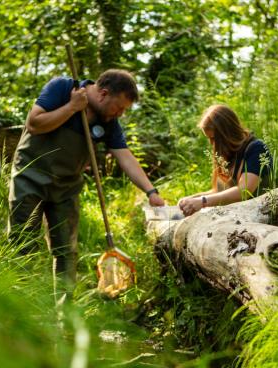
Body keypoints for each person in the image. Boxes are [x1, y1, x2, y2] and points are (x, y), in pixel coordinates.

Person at [9, 69, 165, 285]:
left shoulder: (108, 122)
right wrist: (72, 107)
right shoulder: (63, 89)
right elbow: (34, 124)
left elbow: (125, 157)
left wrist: (151, 192)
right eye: (119, 107)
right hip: (30, 178)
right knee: (22, 243)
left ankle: (66, 314)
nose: (120, 114)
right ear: (103, 93)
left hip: (66, 188)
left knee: (66, 251)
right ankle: (16, 307)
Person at [178, 104, 272, 216]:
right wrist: (192, 199)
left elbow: (244, 191)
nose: (212, 144)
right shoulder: (228, 152)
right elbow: (219, 192)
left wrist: (203, 201)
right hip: (232, 216)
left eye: (213, 138)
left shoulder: (257, 149)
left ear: (226, 133)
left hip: (258, 215)